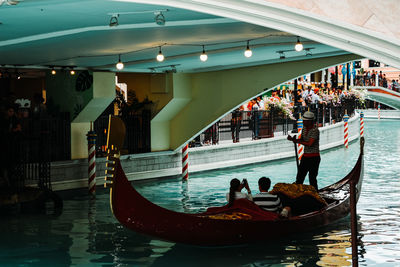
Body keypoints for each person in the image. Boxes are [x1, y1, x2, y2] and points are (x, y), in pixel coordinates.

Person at [287, 111, 320, 190]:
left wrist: (297, 141)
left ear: (310, 121)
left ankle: (315, 195)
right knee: (299, 178)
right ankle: (297, 194)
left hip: (314, 158)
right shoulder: (304, 128)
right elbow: (302, 139)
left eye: (305, 121)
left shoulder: (315, 130)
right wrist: (293, 139)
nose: (303, 122)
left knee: (312, 179)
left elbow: (309, 143)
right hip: (305, 157)